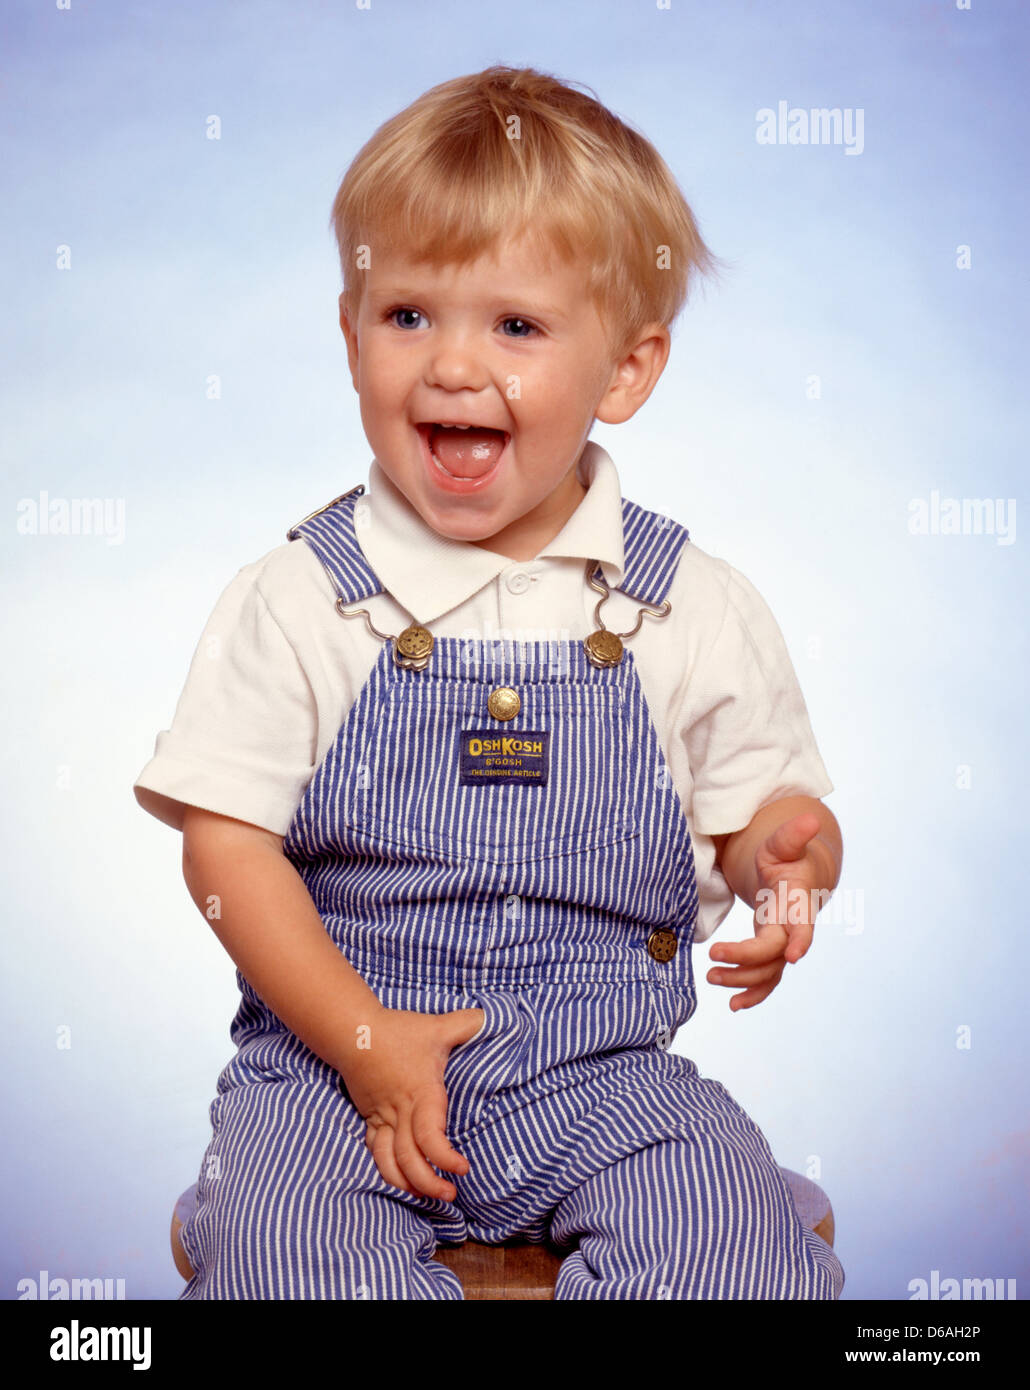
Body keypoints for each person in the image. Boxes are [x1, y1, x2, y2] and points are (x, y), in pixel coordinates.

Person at [134, 65, 845, 1300]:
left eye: (515, 326)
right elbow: (224, 848)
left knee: (726, 1249)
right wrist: (364, 1043)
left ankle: (725, 1212)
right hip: (333, 1074)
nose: (453, 366)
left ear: (625, 370)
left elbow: (762, 814)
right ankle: (251, 1203)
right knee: (287, 1256)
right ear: (349, 333)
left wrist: (789, 862)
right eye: (409, 314)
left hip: (602, 1076)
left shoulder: (684, 604)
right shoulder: (305, 596)